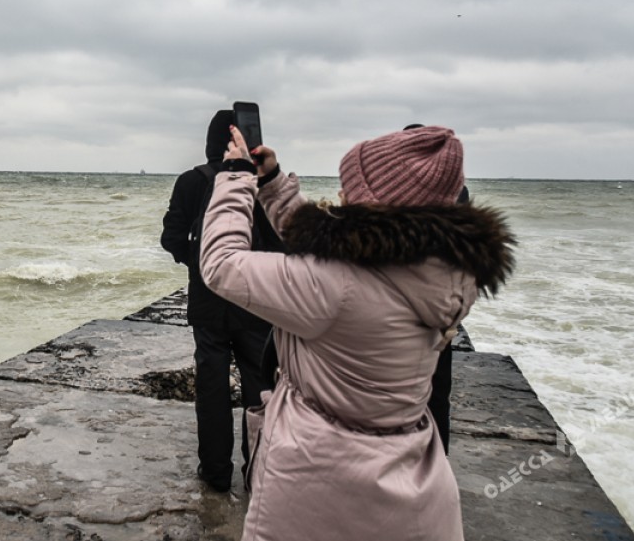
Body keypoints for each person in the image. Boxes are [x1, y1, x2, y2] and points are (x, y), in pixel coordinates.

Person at [201, 125, 514, 540]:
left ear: (376, 206)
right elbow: (339, 245)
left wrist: (237, 178)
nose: (343, 197)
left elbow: (222, 264)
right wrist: (274, 186)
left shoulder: (335, 287)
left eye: (351, 189)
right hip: (410, 477)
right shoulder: (446, 273)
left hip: (320, 483)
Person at [160, 110, 285, 492]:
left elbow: (172, 238)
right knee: (259, 389)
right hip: (254, 299)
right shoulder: (260, 182)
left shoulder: (191, 181)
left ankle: (214, 473)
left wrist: (200, 266)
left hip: (207, 299)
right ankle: (257, 471)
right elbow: (282, 241)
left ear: (211, 141)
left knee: (211, 388)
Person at [404, 123, 470, 455]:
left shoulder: (402, 192)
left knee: (404, 394)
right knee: (438, 392)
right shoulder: (458, 191)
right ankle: (438, 459)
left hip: (407, 308)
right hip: (443, 307)